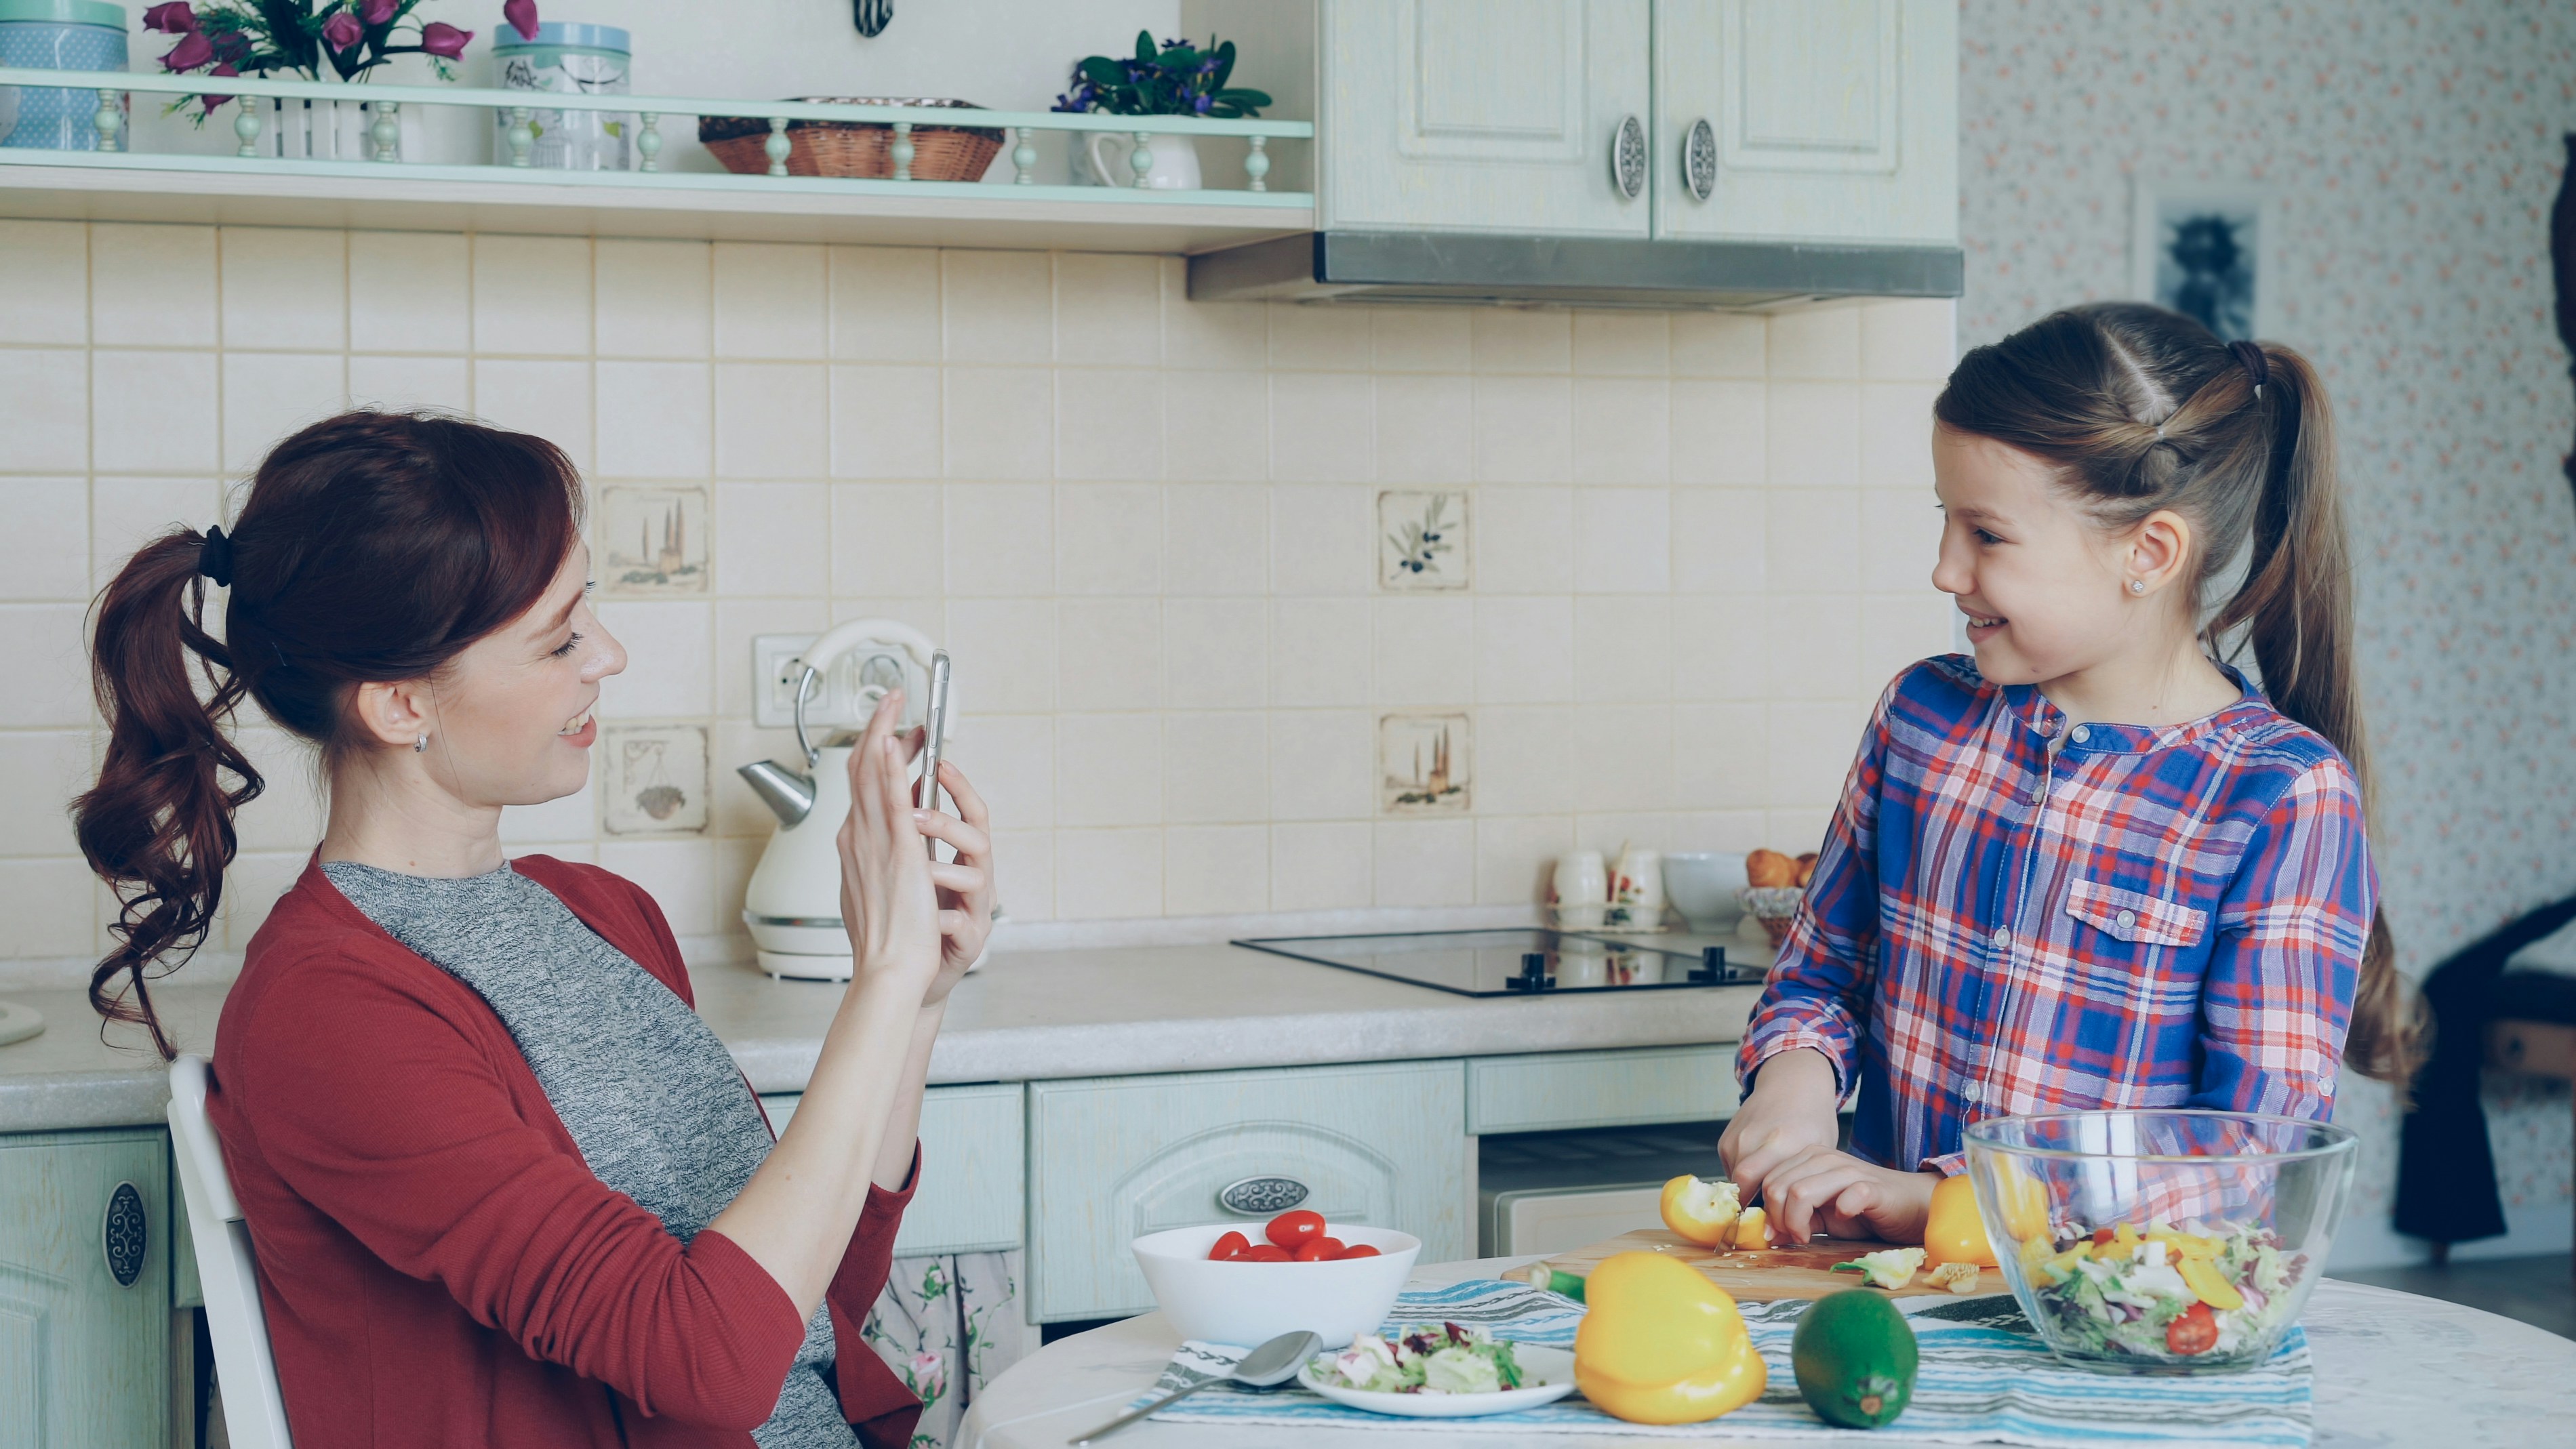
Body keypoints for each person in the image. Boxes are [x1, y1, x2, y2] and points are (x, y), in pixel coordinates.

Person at [75, 410, 992, 1448]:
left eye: (587, 608)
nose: (609, 653)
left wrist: (917, 1001)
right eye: (558, 638)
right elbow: (710, 1360)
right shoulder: (326, 1011)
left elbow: (799, 1304)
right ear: (401, 705)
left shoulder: (606, 915)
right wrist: (877, 978)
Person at [1718, 303, 2415, 1245]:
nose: (1943, 568)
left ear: (2149, 552)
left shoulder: (2282, 796)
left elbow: (2249, 1153)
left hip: (2114, 1338)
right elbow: (1823, 971)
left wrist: (1949, 1203)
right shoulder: (1921, 718)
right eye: (1945, 521)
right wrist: (1792, 1085)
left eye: (1987, 535)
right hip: (1881, 1303)